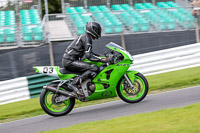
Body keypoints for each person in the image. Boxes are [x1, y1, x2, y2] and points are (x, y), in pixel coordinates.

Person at [62, 22, 111, 97]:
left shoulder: (86, 37)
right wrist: (102, 60)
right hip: (70, 61)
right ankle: (74, 84)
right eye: (96, 30)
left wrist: (102, 57)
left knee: (93, 66)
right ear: (92, 29)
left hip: (71, 60)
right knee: (94, 68)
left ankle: (84, 86)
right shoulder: (86, 38)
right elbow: (89, 56)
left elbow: (90, 53)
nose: (98, 32)